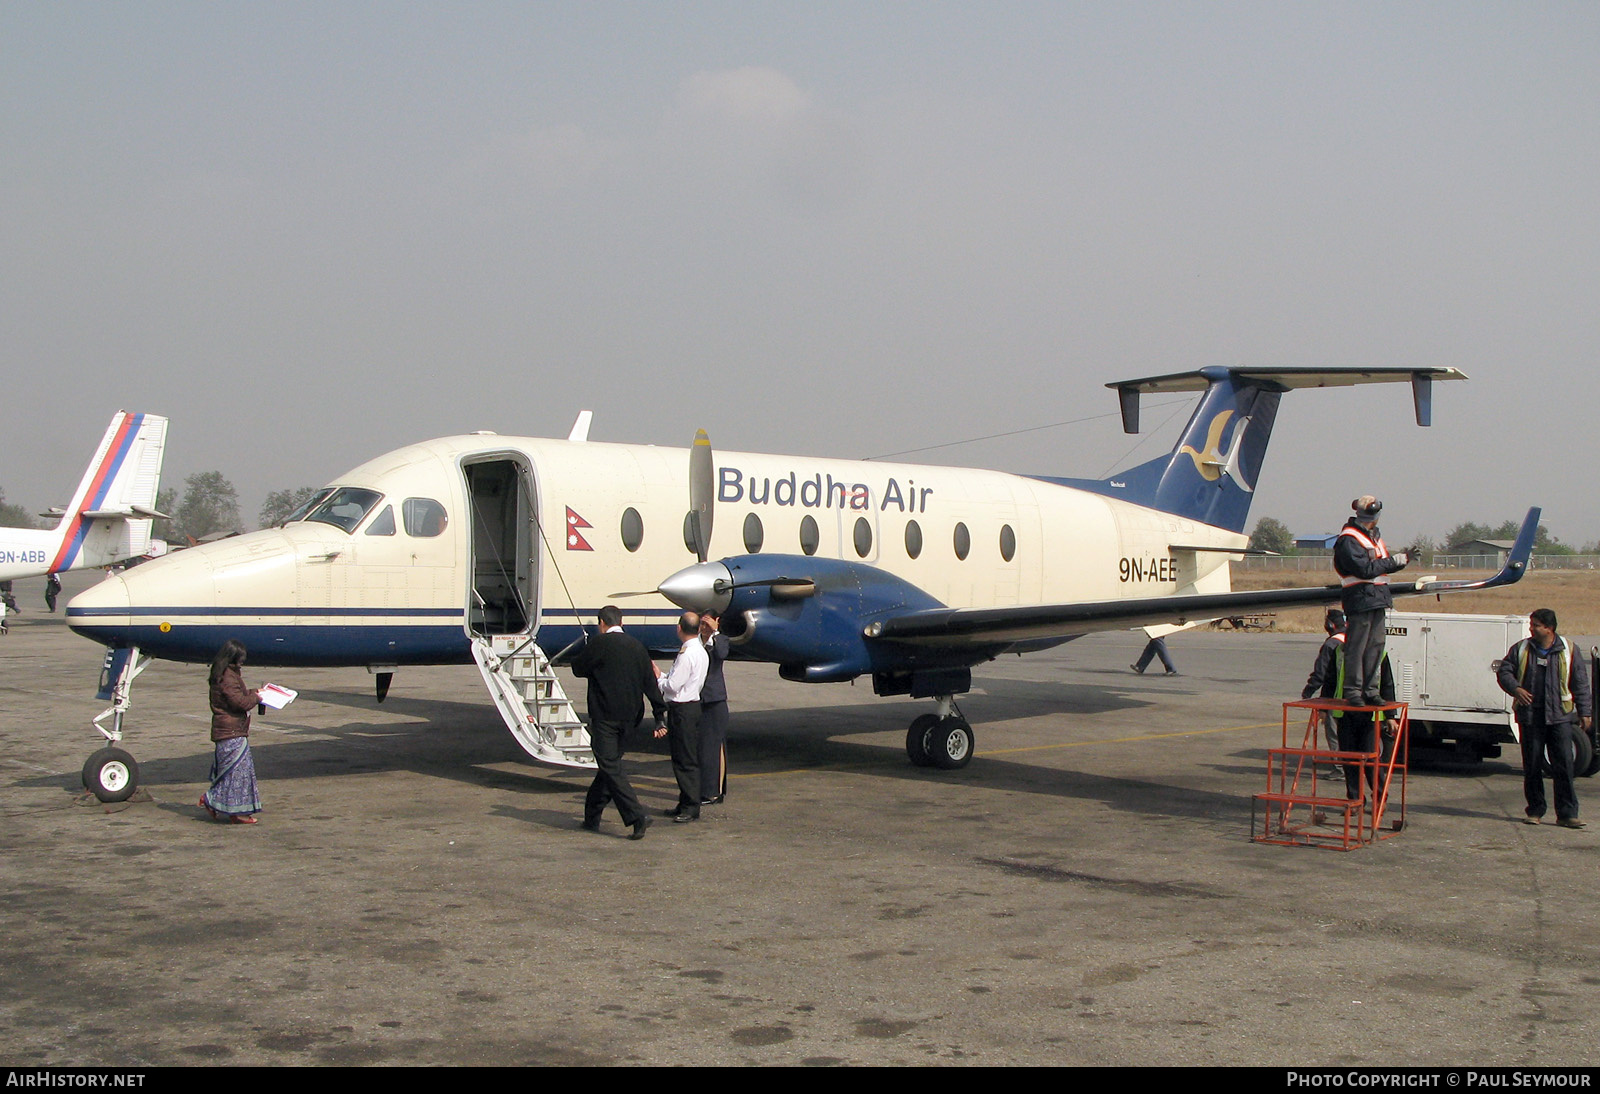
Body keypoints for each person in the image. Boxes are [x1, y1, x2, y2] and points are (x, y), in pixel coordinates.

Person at [568, 605, 667, 840]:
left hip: (606, 717)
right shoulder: (637, 646)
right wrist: (660, 714)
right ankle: (591, 816)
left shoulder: (599, 644)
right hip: (632, 718)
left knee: (610, 766)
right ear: (621, 622)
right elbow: (650, 683)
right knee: (608, 767)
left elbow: (577, 669)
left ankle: (636, 815)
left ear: (602, 623)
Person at [1496, 609, 1592, 830]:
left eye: (1536, 625)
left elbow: (1580, 683)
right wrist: (1516, 689)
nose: (1532, 628)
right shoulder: (1521, 648)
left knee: (1564, 766)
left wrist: (1585, 712)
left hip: (1560, 718)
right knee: (1532, 765)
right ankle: (1535, 810)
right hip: (1531, 717)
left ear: (1549, 628)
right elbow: (1504, 671)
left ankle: (1568, 814)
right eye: (1532, 624)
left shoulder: (1569, 649)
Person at [1333, 496, 1409, 704]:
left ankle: (1370, 690)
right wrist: (1394, 561)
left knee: (1375, 646)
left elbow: (1380, 566)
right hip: (1360, 598)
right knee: (1357, 647)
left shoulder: (1373, 536)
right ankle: (1353, 691)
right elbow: (1365, 570)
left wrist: (1401, 561)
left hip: (1376, 597)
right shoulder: (1349, 539)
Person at [1316, 640, 1399, 801]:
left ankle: (1380, 797)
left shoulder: (1379, 654)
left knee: (1369, 758)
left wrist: (1390, 716)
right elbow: (1330, 680)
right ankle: (1354, 798)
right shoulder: (1340, 651)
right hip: (1346, 712)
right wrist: (1324, 708)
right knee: (1348, 759)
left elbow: (1387, 685)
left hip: (1370, 715)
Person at [200, 639, 263, 825]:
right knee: (238, 774)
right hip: (231, 731)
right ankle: (218, 802)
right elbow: (240, 702)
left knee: (234, 773)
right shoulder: (228, 677)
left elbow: (239, 696)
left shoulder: (224, 674)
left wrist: (255, 692)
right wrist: (257, 697)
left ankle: (231, 809)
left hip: (229, 730)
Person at [654, 612, 708, 823]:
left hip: (683, 709)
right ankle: (685, 801)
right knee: (685, 757)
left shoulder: (687, 654)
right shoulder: (700, 650)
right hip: (692, 705)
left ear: (679, 628)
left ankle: (690, 806)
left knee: (684, 760)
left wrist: (659, 678)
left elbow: (673, 687)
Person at [1302, 609, 1348, 757]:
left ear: (1330, 624)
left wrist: (1308, 691)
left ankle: (1339, 767)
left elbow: (1321, 674)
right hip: (1355, 697)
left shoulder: (1331, 644)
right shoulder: (1352, 639)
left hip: (1335, 698)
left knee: (1334, 734)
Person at [698, 610, 731, 805]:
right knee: (703, 748)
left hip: (714, 699)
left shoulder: (721, 640)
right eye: (701, 624)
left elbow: (721, 654)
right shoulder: (695, 643)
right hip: (698, 699)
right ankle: (706, 788)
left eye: (706, 623)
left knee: (713, 747)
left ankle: (714, 792)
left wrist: (714, 632)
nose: (703, 628)